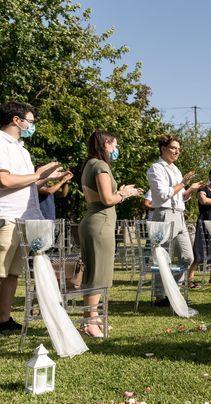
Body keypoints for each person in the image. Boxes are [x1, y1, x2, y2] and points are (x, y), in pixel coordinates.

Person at [0, 101, 64, 332]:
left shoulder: (22, 149)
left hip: (24, 218)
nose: (32, 125)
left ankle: (4, 319)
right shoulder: (1, 144)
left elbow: (29, 184)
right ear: (17, 120)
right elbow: (5, 180)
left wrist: (46, 177)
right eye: (31, 121)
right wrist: (36, 174)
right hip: (6, 216)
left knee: (12, 274)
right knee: (0, 271)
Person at [79, 130, 142, 337]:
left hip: (92, 222)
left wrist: (120, 192)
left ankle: (93, 318)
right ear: (105, 144)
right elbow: (107, 199)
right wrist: (124, 193)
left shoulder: (89, 164)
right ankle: (89, 322)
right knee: (98, 274)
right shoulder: (101, 165)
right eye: (114, 145)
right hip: (100, 223)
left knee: (94, 272)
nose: (116, 150)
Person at [147, 134, 203, 307]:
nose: (177, 151)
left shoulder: (176, 169)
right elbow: (163, 195)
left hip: (179, 214)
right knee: (162, 257)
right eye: (173, 148)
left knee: (188, 256)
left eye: (179, 148)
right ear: (163, 149)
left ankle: (175, 291)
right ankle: (160, 296)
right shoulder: (156, 168)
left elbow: (180, 196)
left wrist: (190, 189)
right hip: (164, 214)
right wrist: (183, 182)